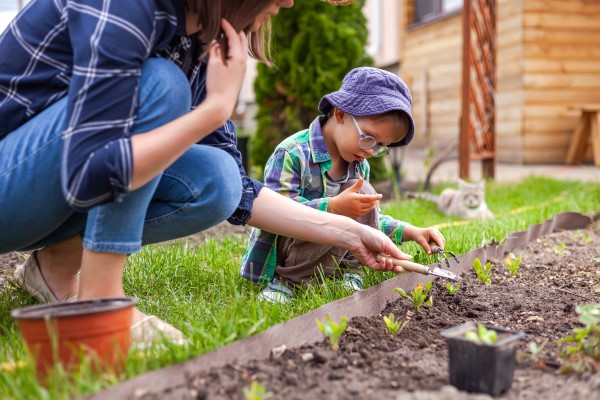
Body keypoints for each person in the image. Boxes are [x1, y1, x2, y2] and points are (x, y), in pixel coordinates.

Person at [0, 0, 410, 345]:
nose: (287, 4)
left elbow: (241, 195)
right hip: (12, 189)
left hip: (43, 197)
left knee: (217, 180)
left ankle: (54, 269)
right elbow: (87, 169)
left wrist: (352, 232)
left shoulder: (196, 44)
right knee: (161, 86)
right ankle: (101, 301)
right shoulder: (131, 7)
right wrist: (214, 109)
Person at [242, 67, 445, 303]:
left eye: (380, 146)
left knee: (365, 192)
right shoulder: (292, 153)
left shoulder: (358, 163)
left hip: (332, 251)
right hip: (288, 253)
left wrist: (411, 231)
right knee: (329, 214)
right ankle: (288, 282)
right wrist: (334, 207)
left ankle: (349, 271)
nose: (370, 151)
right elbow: (276, 212)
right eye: (368, 138)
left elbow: (369, 218)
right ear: (340, 114)